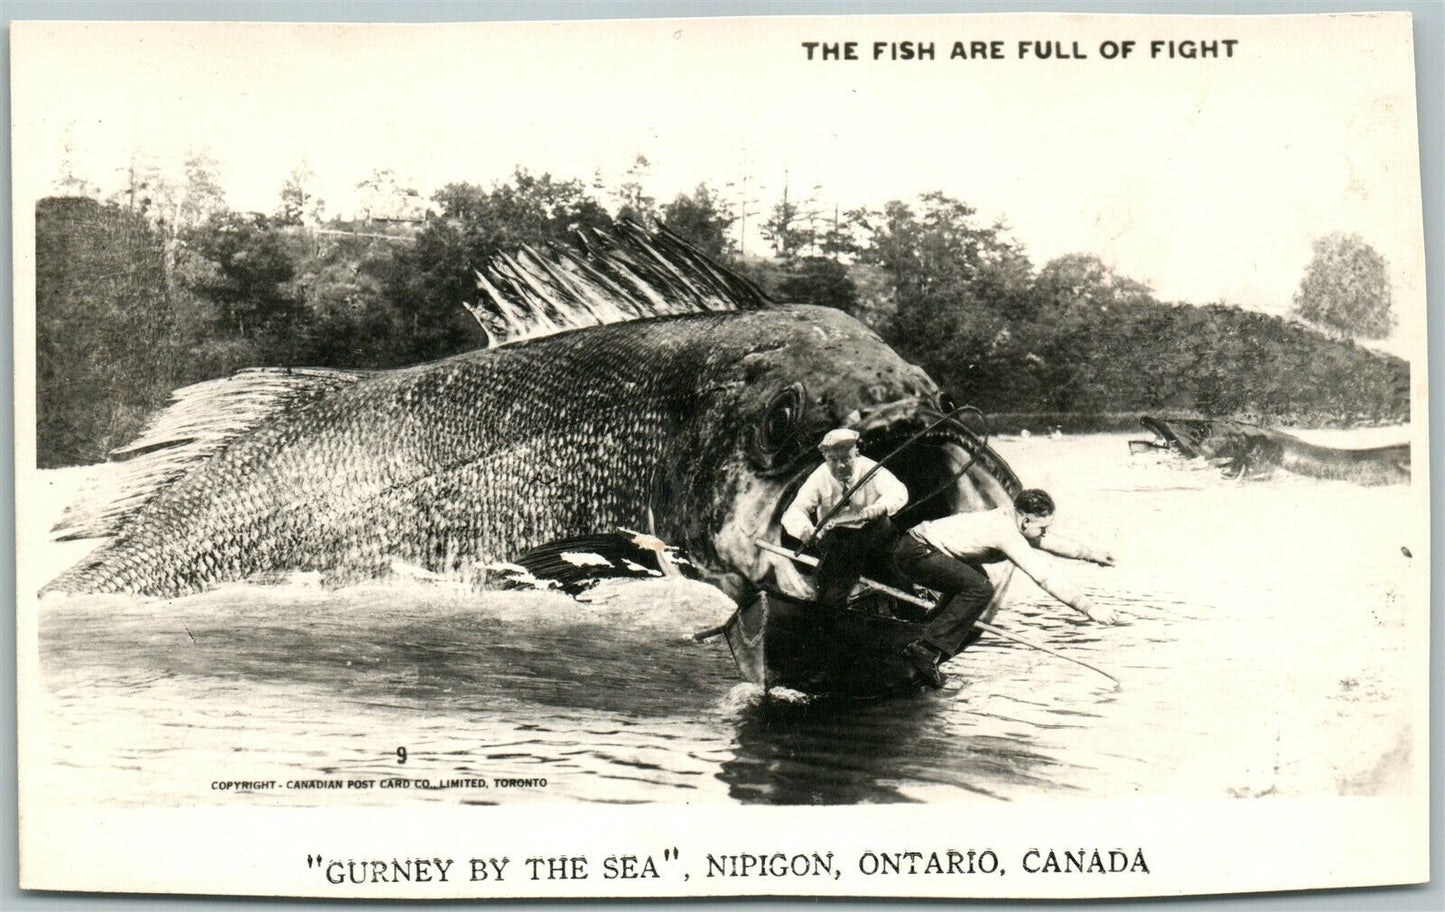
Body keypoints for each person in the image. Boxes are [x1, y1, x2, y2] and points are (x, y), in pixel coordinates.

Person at [891, 488, 1118, 688]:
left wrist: (1092, 555)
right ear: (1026, 521)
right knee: (980, 588)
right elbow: (1044, 576)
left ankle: (928, 630)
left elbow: (1052, 543)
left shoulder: (1014, 520)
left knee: (976, 578)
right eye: (1043, 527)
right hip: (916, 552)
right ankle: (927, 648)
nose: (1045, 533)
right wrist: (1089, 608)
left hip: (918, 547)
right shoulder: (1005, 533)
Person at [780, 428, 909, 616]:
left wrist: (880, 507)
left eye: (846, 459)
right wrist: (805, 530)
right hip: (840, 542)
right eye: (833, 460)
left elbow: (898, 491)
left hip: (876, 535)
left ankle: (916, 624)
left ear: (856, 452)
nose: (840, 466)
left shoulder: (871, 469)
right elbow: (795, 510)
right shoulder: (819, 477)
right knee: (830, 596)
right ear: (825, 458)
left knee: (901, 583)